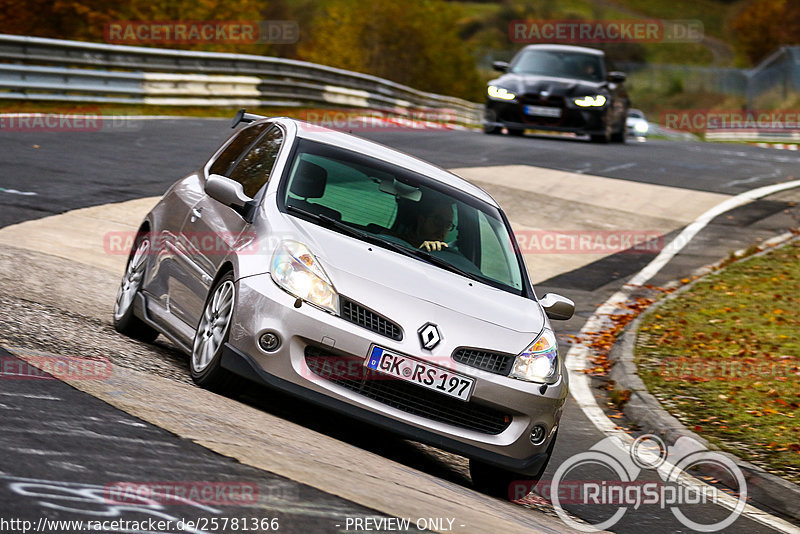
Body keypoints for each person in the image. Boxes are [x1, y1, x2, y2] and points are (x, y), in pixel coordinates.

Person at [390, 195, 455, 252]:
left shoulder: (446, 256)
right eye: (438, 221)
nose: (442, 229)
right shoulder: (392, 241)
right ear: (422, 220)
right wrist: (420, 251)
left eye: (448, 225)